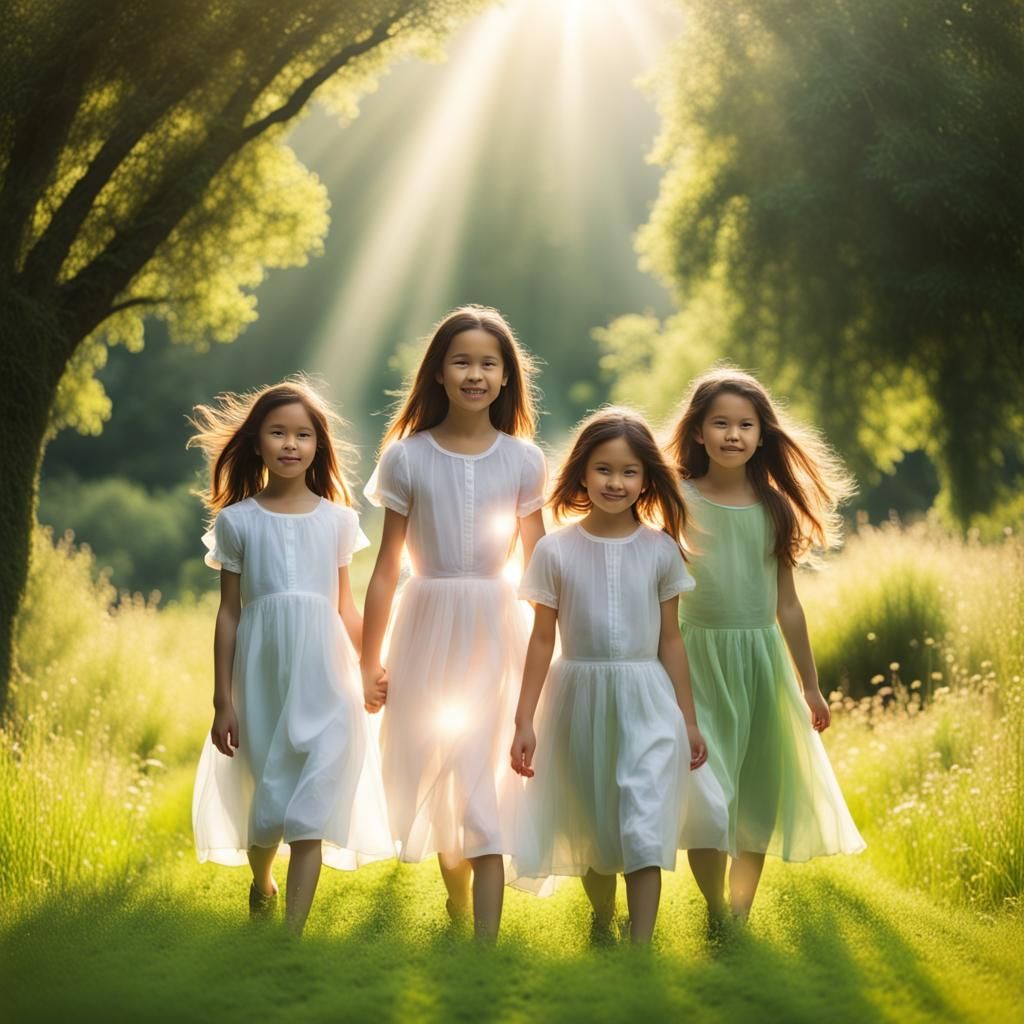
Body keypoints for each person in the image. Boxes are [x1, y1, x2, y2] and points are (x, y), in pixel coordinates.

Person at [361, 305, 546, 942]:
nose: (475, 374)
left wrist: (556, 649)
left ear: (506, 377)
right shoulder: (406, 458)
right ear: (438, 373)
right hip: (425, 625)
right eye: (461, 362)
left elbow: (541, 569)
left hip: (498, 627)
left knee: (482, 769)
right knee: (442, 762)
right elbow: (386, 568)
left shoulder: (523, 460)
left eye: (488, 364)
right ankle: (459, 903)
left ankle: (485, 946)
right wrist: (369, 660)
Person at [509, 408, 728, 944]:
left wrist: (689, 720)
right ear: (582, 474)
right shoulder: (554, 551)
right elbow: (542, 639)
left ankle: (641, 944)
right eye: (604, 469)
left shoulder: (660, 550)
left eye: (629, 471)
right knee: (596, 820)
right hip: (578, 698)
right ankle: (603, 920)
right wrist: (524, 720)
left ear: (646, 479)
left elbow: (671, 640)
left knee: (644, 817)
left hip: (647, 697)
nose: (616, 482)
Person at [190, 377, 392, 935]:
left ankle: (291, 937)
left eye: (303, 435)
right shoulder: (237, 522)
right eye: (278, 433)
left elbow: (345, 606)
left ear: (317, 446)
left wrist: (372, 664)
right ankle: (262, 881)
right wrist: (222, 700)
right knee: (269, 806)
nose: (290, 444)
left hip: (328, 679)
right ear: (257, 442)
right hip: (263, 679)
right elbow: (229, 614)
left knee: (310, 812)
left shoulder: (338, 520)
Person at [668, 367, 865, 925]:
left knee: (755, 796)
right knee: (706, 795)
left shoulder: (775, 507)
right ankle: (714, 908)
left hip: (760, 662)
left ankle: (737, 916)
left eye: (745, 425)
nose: (733, 434)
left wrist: (811, 685)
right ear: (698, 431)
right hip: (696, 661)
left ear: (761, 435)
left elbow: (789, 606)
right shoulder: (677, 500)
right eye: (720, 423)